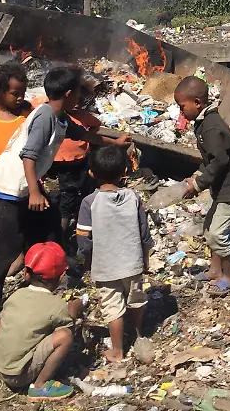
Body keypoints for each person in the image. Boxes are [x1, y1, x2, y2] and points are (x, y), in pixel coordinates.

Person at [0, 66, 130, 321]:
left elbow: (84, 135)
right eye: (78, 93)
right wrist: (35, 192)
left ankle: (43, 281)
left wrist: (116, 143)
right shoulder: (45, 117)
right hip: (8, 187)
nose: (79, 97)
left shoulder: (60, 117)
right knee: (3, 247)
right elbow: (28, 155)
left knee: (48, 229)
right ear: (69, 94)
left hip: (25, 187)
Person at [174, 76, 230, 298]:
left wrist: (198, 184)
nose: (181, 113)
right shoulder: (204, 123)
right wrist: (197, 175)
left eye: (182, 107)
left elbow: (220, 160)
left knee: (217, 234)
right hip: (223, 184)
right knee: (209, 229)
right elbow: (210, 159)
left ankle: (229, 277)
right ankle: (215, 270)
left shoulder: (211, 127)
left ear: (197, 103)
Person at [78, 145, 153, 362]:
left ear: (91, 173)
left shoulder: (89, 203)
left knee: (113, 308)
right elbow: (144, 233)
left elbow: (84, 239)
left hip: (105, 266)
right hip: (133, 262)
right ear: (125, 171)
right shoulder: (133, 197)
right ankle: (138, 334)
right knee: (136, 299)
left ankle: (118, 351)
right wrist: (145, 257)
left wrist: (87, 260)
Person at [0, 241, 83, 400]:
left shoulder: (17, 295)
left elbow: (1, 324)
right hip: (19, 375)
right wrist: (74, 311)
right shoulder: (57, 305)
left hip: (3, 367)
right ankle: (40, 386)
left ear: (26, 273)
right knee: (64, 336)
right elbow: (70, 327)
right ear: (61, 276)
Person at [32, 75, 101, 272]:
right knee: (66, 201)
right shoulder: (52, 114)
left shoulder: (76, 117)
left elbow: (93, 127)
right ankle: (59, 242)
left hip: (76, 163)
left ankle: (64, 238)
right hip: (61, 164)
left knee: (72, 198)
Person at [0, 64, 33, 172]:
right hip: (0, 172)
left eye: (23, 93)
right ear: (0, 92)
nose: (21, 98)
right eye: (15, 94)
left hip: (23, 171)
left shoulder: (28, 114)